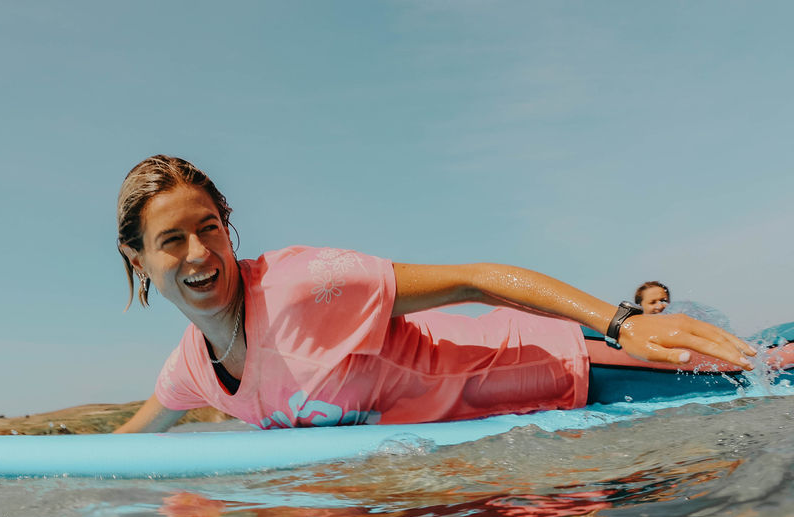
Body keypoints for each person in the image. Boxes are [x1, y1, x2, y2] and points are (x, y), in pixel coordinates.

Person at [114, 156, 755, 433]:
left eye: (209, 229)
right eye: (172, 240)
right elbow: (133, 438)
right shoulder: (193, 368)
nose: (199, 254)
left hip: (570, 365)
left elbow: (474, 276)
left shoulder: (303, 286)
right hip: (520, 426)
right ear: (138, 258)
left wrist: (619, 323)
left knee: (764, 376)